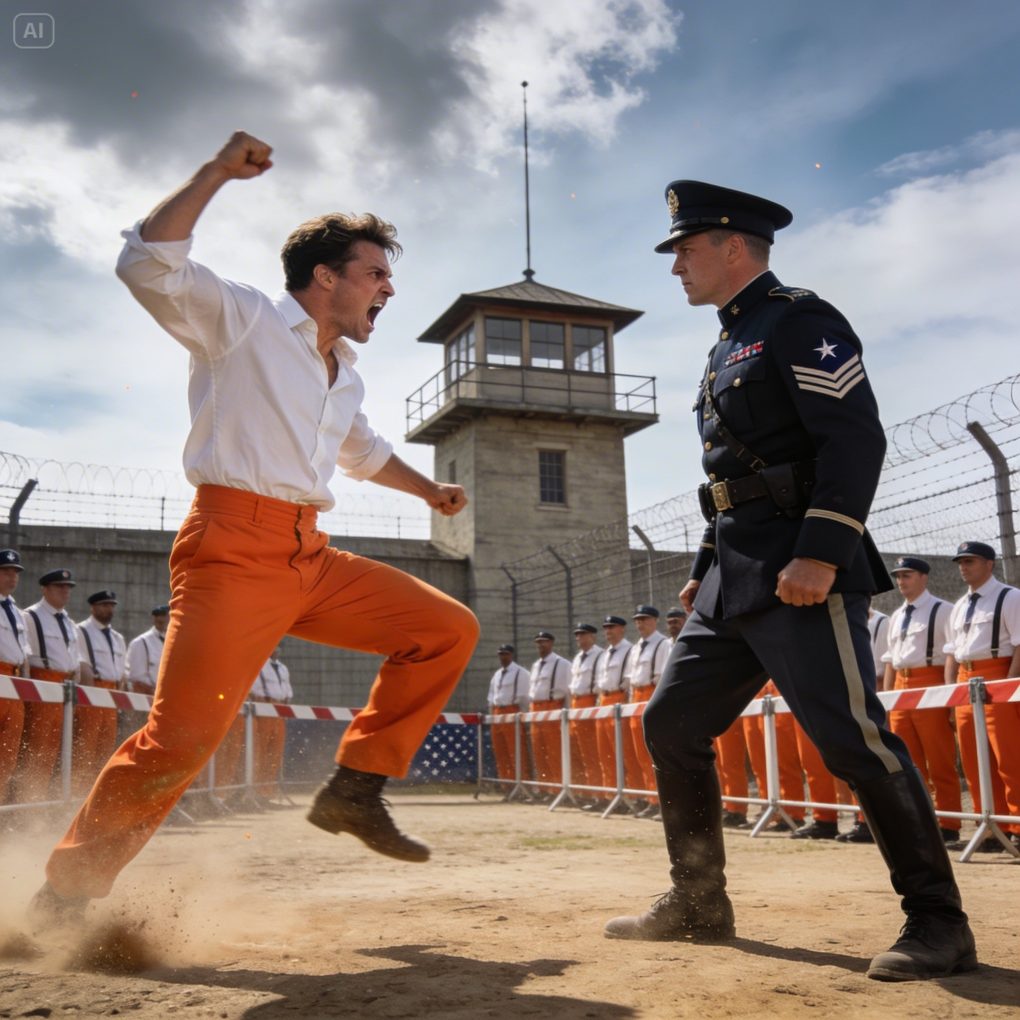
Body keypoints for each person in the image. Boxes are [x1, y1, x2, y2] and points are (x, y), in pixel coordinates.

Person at [31, 130, 479, 928]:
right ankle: (64, 893)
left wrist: (429, 491)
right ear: (325, 276)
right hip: (232, 549)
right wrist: (215, 173)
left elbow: (363, 450)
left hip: (311, 555)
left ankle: (355, 789)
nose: (389, 288)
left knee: (446, 629)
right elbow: (146, 264)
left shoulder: (344, 374)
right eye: (376, 274)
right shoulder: (243, 318)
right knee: (179, 741)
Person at [605, 180, 975, 983]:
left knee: (852, 740)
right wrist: (703, 569)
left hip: (800, 568)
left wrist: (823, 551)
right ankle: (697, 901)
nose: (676, 266)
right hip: (732, 576)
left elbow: (853, 438)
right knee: (671, 724)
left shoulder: (799, 319)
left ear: (734, 246)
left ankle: (939, 923)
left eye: (686, 249)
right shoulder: (724, 345)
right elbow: (730, 474)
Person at [943, 541, 1020, 851]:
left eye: (970, 561)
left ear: (990, 564)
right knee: (974, 761)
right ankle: (989, 827)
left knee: (1009, 758)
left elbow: (1019, 645)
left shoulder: (1009, 597)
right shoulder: (960, 605)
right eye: (961, 562)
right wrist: (951, 693)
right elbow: (952, 653)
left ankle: (1017, 826)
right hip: (965, 681)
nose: (963, 567)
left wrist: (1009, 687)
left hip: (997, 676)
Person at [880, 557, 960, 845]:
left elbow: (952, 653)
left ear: (924, 577)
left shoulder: (943, 610)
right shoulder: (897, 615)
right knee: (908, 762)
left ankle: (949, 823)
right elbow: (890, 660)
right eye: (898, 576)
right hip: (901, 688)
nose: (901, 581)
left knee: (939, 758)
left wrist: (950, 696)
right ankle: (920, 822)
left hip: (930, 681)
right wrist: (887, 699)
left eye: (908, 575)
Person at [16, 569, 85, 803]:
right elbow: (24, 657)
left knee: (55, 751)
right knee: (37, 749)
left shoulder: (69, 622)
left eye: (68, 587)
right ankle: (27, 803)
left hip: (66, 687)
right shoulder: (31, 616)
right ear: (45, 589)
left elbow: (74, 659)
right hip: (43, 683)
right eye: (59, 586)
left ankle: (41, 802)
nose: (65, 591)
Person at [74, 591, 127, 795]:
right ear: (93, 607)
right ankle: (79, 793)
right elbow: (82, 666)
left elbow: (121, 673)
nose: (109, 609)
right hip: (93, 692)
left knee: (105, 750)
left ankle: (98, 794)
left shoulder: (117, 638)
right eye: (104, 605)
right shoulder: (81, 631)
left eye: (111, 605)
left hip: (112, 696)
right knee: (86, 749)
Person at [626, 606, 670, 819]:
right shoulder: (636, 648)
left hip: (651, 694)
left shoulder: (663, 644)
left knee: (656, 752)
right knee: (640, 754)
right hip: (636, 697)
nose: (640, 623)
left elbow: (664, 676)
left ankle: (664, 801)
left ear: (655, 620)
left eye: (644, 619)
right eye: (637, 620)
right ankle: (652, 799)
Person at [592, 615, 634, 811]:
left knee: (624, 752)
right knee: (605, 753)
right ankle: (610, 795)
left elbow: (629, 680)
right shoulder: (605, 653)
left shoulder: (629, 650)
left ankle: (632, 796)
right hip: (603, 701)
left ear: (622, 629)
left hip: (619, 698)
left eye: (612, 627)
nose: (608, 631)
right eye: (606, 628)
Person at [0, 549, 31, 804]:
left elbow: (24, 654)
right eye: (5, 572)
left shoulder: (18, 613)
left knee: (8, 755)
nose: (12, 577)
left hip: (16, 682)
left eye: (15, 573)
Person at [527, 632, 570, 798]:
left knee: (554, 751)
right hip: (535, 709)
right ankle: (544, 789)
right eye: (538, 642)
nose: (541, 645)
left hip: (552, 706)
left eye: (544, 642)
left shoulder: (562, 664)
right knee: (539, 751)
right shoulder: (536, 666)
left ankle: (558, 790)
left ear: (551, 643)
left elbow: (567, 691)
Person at [251, 646, 294, 802]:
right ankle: (256, 791)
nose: (277, 649)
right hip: (265, 708)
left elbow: (287, 689)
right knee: (261, 751)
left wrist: (287, 705)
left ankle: (267, 793)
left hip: (280, 710)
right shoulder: (259, 664)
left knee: (275, 752)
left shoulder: (283, 668)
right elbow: (254, 689)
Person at [486, 644, 531, 794]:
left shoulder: (521, 673)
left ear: (511, 655)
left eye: (505, 654)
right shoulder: (497, 675)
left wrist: (523, 717)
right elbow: (491, 697)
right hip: (497, 713)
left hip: (512, 710)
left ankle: (522, 786)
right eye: (501, 654)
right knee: (501, 751)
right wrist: (492, 715)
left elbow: (525, 697)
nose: (503, 657)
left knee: (516, 751)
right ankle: (507, 785)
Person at [566, 624, 603, 805]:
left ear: (592, 636)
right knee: (579, 752)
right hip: (576, 703)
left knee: (592, 752)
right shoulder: (578, 658)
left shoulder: (600, 655)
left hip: (590, 701)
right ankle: (586, 792)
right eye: (577, 635)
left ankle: (599, 794)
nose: (579, 638)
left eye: (583, 635)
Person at [124, 605, 170, 696]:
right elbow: (137, 678)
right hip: (149, 696)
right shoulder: (141, 642)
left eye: (164, 616)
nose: (160, 619)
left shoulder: (172, 641)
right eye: (157, 616)